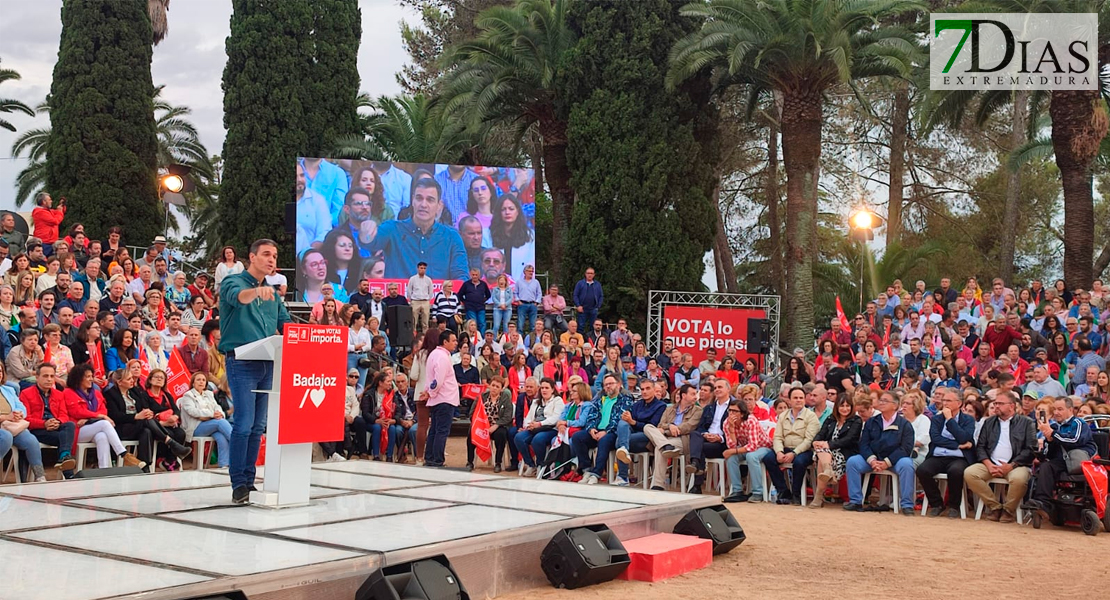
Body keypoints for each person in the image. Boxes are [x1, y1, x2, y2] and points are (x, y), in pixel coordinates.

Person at [219, 239, 291, 504]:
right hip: (242, 363)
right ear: (252, 257)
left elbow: (287, 325)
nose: (272, 259)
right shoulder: (233, 281)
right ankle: (239, 483)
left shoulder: (272, 293)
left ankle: (250, 481)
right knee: (244, 423)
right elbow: (238, 298)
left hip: (268, 363)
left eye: (275, 255)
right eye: (266, 254)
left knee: (258, 425)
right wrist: (255, 293)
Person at [367, 177, 469, 279]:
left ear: (439, 205)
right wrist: (366, 234)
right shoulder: (392, 229)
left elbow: (461, 277)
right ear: (412, 201)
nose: (423, 204)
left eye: (430, 200)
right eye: (419, 198)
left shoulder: (452, 236)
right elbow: (370, 243)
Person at [963, 390, 1037, 523]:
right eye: (995, 403)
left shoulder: (1027, 423)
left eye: (1000, 403)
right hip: (991, 464)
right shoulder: (989, 422)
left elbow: (1030, 450)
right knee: (970, 473)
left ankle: (1008, 510)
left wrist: (1011, 465)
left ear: (1012, 406)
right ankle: (995, 507)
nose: (996, 406)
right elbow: (980, 447)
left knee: (1019, 479)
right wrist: (988, 464)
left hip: (1016, 465)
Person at [844, 390, 916, 514]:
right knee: (853, 462)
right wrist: (872, 460)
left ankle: (906, 505)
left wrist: (887, 462)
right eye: (880, 400)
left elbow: (905, 448)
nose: (881, 403)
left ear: (895, 405)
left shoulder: (904, 425)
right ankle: (855, 501)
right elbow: (864, 444)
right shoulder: (872, 421)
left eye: (885, 401)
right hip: (874, 459)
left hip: (895, 460)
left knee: (907, 464)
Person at [1027, 396, 1099, 519]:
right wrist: (1049, 440)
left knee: (1050, 465)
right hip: (1062, 461)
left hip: (1080, 461)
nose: (1056, 413)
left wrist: (1053, 434)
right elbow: (1048, 453)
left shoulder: (1078, 423)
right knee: (1045, 466)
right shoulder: (1055, 427)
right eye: (1054, 409)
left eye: (1060, 409)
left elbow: (1075, 440)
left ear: (1070, 410)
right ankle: (1042, 503)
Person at [917, 387, 977, 518]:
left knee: (956, 471)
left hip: (959, 458)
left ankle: (954, 506)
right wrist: (958, 445)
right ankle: (937, 504)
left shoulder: (968, 420)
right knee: (922, 470)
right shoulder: (937, 419)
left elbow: (964, 437)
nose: (945, 403)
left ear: (959, 403)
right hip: (939, 455)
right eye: (944, 400)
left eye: (949, 400)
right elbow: (936, 438)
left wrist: (950, 420)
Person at [571, 374, 634, 485]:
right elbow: (591, 415)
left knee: (604, 441)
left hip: (612, 432)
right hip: (597, 430)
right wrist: (591, 429)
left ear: (619, 385)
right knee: (577, 437)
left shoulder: (625, 399)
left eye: (611, 384)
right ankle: (586, 470)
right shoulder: (600, 399)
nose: (608, 387)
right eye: (606, 385)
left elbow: (620, 418)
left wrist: (606, 431)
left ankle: (596, 474)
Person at [762, 386, 820, 504]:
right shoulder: (783, 415)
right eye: (795, 398)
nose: (798, 400)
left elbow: (809, 440)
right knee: (768, 459)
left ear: (804, 400)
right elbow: (777, 437)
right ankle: (783, 491)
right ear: (790, 400)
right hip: (785, 447)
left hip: (804, 450)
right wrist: (779, 451)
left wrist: (794, 453)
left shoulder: (811, 416)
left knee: (799, 462)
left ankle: (796, 494)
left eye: (801, 398)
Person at [642, 383, 703, 490]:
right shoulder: (669, 409)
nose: (696, 397)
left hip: (682, 439)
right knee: (647, 427)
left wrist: (667, 430)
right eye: (693, 394)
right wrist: (670, 426)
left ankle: (658, 485)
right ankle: (666, 446)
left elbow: (688, 427)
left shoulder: (698, 410)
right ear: (684, 396)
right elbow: (660, 425)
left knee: (659, 448)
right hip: (666, 439)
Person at [808, 395, 862, 508]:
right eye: (842, 406)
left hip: (845, 452)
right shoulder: (831, 418)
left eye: (848, 406)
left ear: (852, 407)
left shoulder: (856, 420)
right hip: (826, 452)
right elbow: (820, 434)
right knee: (821, 452)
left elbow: (849, 440)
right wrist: (815, 441)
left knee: (821, 458)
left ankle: (818, 496)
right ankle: (828, 471)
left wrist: (828, 444)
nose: (845, 408)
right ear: (837, 407)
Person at [0, 361, 48, 481]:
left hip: (11, 425)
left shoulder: (8, 390)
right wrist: (5, 417)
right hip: (3, 425)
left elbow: (21, 407)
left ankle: (40, 476)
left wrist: (19, 414)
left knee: (31, 441)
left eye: (0, 371)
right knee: (6, 437)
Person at [722, 398, 774, 502]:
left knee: (751, 456)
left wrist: (732, 451)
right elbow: (732, 446)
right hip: (744, 448)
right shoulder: (727, 423)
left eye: (734, 411)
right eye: (730, 410)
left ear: (741, 414)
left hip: (763, 447)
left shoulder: (751, 420)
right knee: (732, 458)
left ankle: (758, 492)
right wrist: (731, 429)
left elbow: (753, 446)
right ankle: (737, 491)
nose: (731, 414)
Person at [422, 329, 460, 468]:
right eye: (453, 340)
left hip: (439, 398)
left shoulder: (434, 354)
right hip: (444, 398)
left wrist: (429, 392)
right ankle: (437, 460)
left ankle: (430, 457)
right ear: (445, 342)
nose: (456, 343)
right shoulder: (442, 357)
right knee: (441, 431)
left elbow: (431, 378)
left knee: (435, 430)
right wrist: (431, 392)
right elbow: (438, 380)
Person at [514, 377, 565, 475]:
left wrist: (540, 424)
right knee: (518, 438)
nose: (544, 390)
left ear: (553, 389)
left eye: (546, 388)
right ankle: (530, 464)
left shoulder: (557, 400)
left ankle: (540, 464)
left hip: (550, 428)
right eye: (542, 388)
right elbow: (528, 417)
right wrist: (529, 425)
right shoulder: (536, 401)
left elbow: (556, 418)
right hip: (535, 428)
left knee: (537, 440)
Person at [467, 375, 514, 471]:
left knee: (501, 435)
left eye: (497, 387)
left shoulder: (505, 399)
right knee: (471, 433)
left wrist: (495, 426)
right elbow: (472, 414)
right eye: (493, 385)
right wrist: (481, 425)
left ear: (501, 389)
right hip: (482, 425)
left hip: (498, 425)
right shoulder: (481, 397)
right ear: (489, 386)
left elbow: (507, 417)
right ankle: (470, 462)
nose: (494, 388)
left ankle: (498, 463)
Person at [457, 268, 491, 333]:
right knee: (472, 324)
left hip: (480, 307)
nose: (475, 276)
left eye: (476, 275)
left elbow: (488, 295)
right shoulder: (466, 284)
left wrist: (483, 300)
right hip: (470, 307)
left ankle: (481, 339)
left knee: (482, 324)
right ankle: (472, 338)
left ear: (479, 275)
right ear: (470, 275)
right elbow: (460, 294)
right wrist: (465, 302)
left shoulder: (483, 284)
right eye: (473, 275)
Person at [572, 267, 603, 332]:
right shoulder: (580, 283)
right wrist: (578, 305)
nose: (590, 275)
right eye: (588, 273)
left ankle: (592, 341)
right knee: (580, 326)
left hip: (593, 309)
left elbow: (601, 296)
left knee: (593, 327)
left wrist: (598, 306)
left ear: (594, 275)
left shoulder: (597, 284)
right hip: (582, 309)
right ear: (585, 274)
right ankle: (580, 341)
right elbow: (575, 295)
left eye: (591, 273)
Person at [407, 261, 434, 334]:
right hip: (415, 301)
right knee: (413, 321)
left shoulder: (428, 279)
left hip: (425, 301)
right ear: (418, 268)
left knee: (425, 322)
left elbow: (431, 292)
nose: (423, 270)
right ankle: (412, 336)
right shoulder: (412, 279)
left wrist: (428, 299)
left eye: (424, 268)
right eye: (421, 268)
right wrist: (412, 300)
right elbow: (409, 291)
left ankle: (425, 337)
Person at [515, 265, 542, 333]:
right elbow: (515, 293)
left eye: (532, 271)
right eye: (529, 271)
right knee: (520, 325)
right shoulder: (519, 282)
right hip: (522, 304)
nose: (531, 273)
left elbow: (539, 293)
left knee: (533, 326)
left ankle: (532, 341)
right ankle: (519, 341)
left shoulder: (536, 282)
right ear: (525, 272)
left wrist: (536, 302)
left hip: (533, 305)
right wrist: (518, 301)